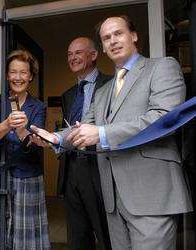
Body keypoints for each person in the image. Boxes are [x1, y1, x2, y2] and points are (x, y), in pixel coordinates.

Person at [31, 16, 193, 249]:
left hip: (150, 194)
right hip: (113, 200)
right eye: (107, 38)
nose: (113, 41)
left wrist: (103, 134)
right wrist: (54, 138)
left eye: (118, 33)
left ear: (133, 36)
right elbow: (83, 126)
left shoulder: (163, 67)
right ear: (103, 48)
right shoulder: (103, 91)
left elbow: (164, 118)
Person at [0, 50, 50, 250]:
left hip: (28, 175)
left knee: (26, 234)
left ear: (30, 76)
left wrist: (22, 131)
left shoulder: (38, 106)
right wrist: (6, 124)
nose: (18, 77)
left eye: (23, 72)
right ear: (7, 75)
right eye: (13, 72)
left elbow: (33, 146)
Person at [59, 37, 111, 250]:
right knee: (77, 237)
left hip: (100, 167)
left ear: (93, 55)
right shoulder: (68, 95)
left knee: (107, 234)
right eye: (70, 54)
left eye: (78, 53)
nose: (73, 58)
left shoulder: (112, 84)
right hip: (71, 169)